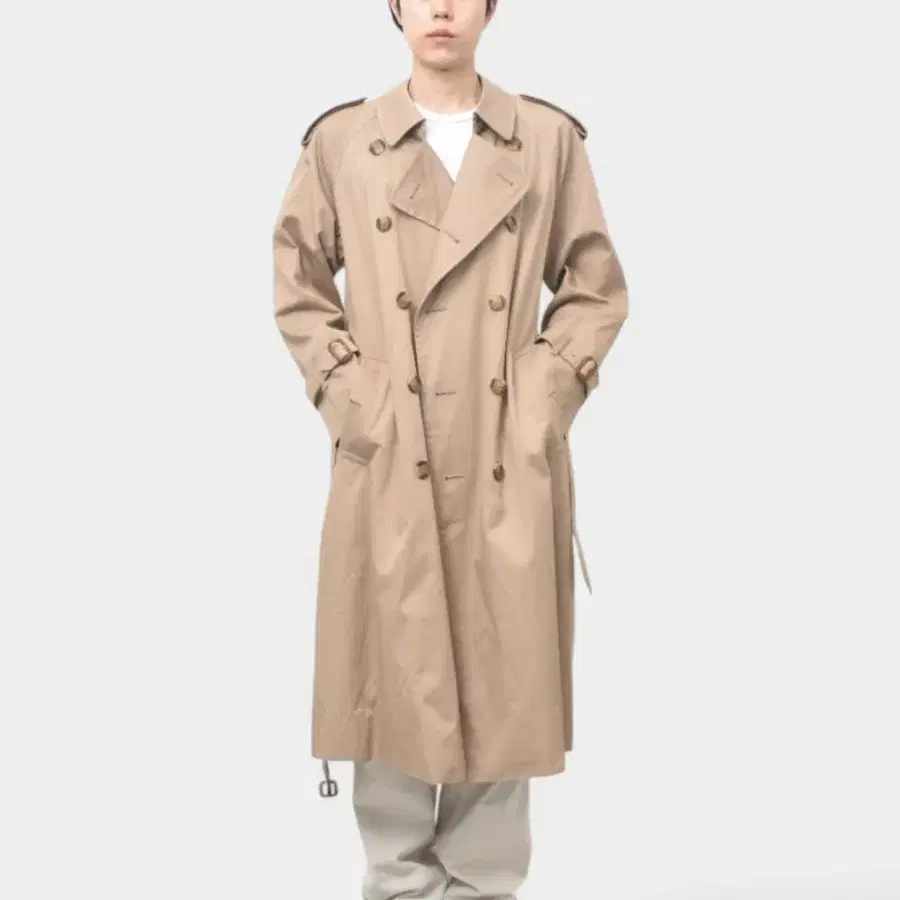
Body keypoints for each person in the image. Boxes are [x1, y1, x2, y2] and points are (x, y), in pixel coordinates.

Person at [271, 0, 629, 896]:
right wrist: (356, 399)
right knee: (390, 691)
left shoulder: (546, 141)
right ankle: (397, 887)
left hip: (506, 459)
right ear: (392, 5)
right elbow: (298, 280)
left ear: (492, 6)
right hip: (392, 455)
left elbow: (595, 288)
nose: (441, 7)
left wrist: (543, 397)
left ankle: (482, 887)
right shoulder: (344, 143)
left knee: (501, 694)